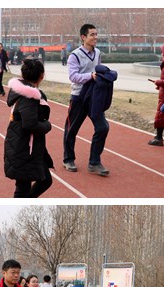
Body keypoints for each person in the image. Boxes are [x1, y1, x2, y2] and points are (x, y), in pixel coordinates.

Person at [62, 24, 111, 176]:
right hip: (79, 97)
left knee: (103, 127)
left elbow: (98, 69)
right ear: (83, 37)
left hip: (93, 97)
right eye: (92, 34)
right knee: (71, 129)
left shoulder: (98, 53)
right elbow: (73, 76)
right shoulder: (75, 55)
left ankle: (94, 162)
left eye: (96, 34)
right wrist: (90, 76)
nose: (96, 37)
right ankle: (68, 159)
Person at [4, 58, 54, 198]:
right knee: (23, 188)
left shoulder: (25, 92)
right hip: (24, 148)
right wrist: (47, 125)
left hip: (26, 145)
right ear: (42, 75)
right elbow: (30, 124)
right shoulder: (29, 97)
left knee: (45, 180)